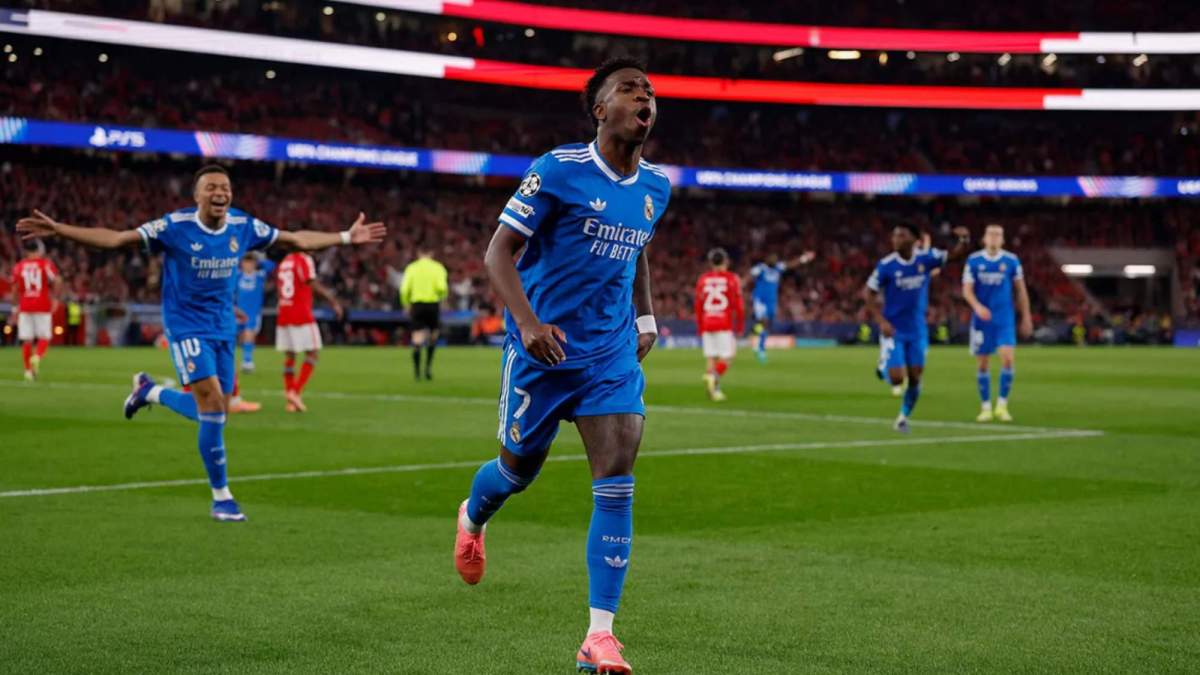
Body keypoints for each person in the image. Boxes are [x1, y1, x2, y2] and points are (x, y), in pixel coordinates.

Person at [452, 57, 669, 674]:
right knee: (517, 471)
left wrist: (646, 318)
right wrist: (526, 324)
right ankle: (472, 516)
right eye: (629, 90)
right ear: (601, 110)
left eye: (649, 91)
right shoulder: (558, 170)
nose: (644, 97)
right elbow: (499, 253)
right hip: (541, 351)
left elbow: (640, 249)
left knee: (619, 470)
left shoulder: (657, 186)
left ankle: (599, 635)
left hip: (608, 352)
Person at [16, 165, 385, 522]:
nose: (219, 192)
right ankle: (221, 496)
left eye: (224, 187)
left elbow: (296, 239)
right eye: (211, 188)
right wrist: (60, 230)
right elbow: (116, 238)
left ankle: (150, 392)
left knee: (216, 412)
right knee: (210, 401)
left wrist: (346, 237)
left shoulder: (243, 225)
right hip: (186, 326)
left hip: (224, 327)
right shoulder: (174, 227)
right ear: (196, 196)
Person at [864, 223, 970, 433]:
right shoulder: (886, 265)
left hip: (917, 330)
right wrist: (881, 321)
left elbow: (955, 256)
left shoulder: (925, 258)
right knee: (897, 378)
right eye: (894, 235)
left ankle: (903, 417)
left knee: (915, 376)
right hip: (893, 329)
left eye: (901, 236)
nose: (895, 240)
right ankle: (883, 365)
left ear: (913, 240)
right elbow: (868, 293)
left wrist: (964, 241)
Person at [962, 224, 1033, 422]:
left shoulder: (1011, 261)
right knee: (983, 364)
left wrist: (1026, 316)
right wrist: (977, 306)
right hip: (982, 319)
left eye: (998, 235)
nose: (994, 238)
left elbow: (1021, 290)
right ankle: (985, 407)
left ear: (1002, 240)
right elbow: (967, 290)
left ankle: (1002, 405)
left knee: (1008, 359)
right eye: (991, 234)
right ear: (984, 238)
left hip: (1004, 319)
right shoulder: (974, 261)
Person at [276, 250, 344, 413]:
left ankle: (290, 400)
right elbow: (310, 282)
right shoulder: (304, 259)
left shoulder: (285, 261)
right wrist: (333, 301)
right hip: (301, 313)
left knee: (290, 356)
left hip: (284, 312)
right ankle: (295, 392)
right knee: (312, 353)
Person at [745, 250, 815, 363]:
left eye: (775, 259)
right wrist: (740, 284)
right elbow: (749, 275)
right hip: (760, 300)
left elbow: (791, 264)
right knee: (763, 321)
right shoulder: (761, 268)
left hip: (772, 301)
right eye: (771, 259)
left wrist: (804, 258)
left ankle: (756, 335)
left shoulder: (778, 268)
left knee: (768, 324)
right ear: (767, 260)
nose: (773, 260)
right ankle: (761, 349)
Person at [695, 247, 744, 402]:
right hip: (723, 323)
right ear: (726, 261)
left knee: (711, 358)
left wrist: (700, 326)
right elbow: (739, 306)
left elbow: (698, 305)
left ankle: (714, 391)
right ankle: (712, 377)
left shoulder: (703, 279)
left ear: (711, 263)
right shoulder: (732, 279)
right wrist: (740, 327)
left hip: (708, 321)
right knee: (728, 357)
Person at [10, 239, 60, 381]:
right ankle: (37, 357)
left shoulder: (19, 266)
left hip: (25, 305)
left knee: (27, 340)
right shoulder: (45, 264)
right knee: (44, 337)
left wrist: (15, 307)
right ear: (39, 250)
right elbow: (57, 280)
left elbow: (14, 289)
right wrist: (55, 298)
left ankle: (28, 372)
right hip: (42, 304)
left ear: (26, 251)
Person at [400, 246, 449, 381]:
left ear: (419, 252)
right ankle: (427, 369)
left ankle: (416, 372)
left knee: (417, 338)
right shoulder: (438, 267)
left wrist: (406, 303)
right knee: (433, 336)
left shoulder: (412, 268)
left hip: (417, 305)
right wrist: (442, 298)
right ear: (431, 253)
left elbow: (404, 289)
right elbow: (442, 287)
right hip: (432, 305)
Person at [234, 252, 276, 373]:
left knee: (249, 333)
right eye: (246, 262)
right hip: (237, 311)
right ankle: (243, 360)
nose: (248, 264)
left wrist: (259, 260)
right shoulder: (237, 275)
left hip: (253, 312)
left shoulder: (259, 276)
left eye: (251, 262)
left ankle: (248, 361)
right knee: (241, 337)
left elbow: (272, 266)